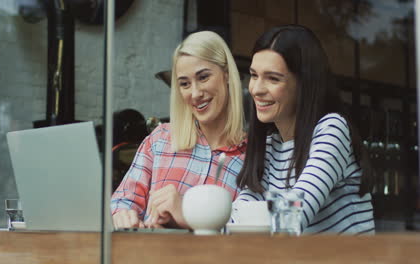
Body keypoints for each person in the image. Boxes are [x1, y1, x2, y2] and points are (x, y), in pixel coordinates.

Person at [233, 25, 375, 234]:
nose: (256, 89)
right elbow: (240, 216)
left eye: (273, 78)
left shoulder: (332, 129)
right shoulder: (271, 146)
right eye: (254, 75)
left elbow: (291, 218)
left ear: (304, 84)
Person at [111, 31, 246, 229]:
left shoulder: (252, 156)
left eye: (204, 77)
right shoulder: (160, 140)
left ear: (226, 75)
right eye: (184, 83)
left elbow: (247, 230)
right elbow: (121, 202)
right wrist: (122, 214)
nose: (195, 93)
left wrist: (186, 211)